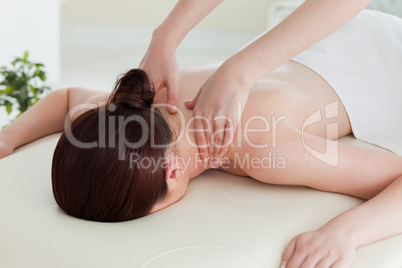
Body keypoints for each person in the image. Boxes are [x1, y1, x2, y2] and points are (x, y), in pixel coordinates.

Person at [0, 9, 402, 268]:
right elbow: (68, 100)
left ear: (173, 172)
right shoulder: (142, 105)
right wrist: (8, 137)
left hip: (383, 55)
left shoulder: (259, 149)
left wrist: (342, 233)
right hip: (332, 29)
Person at [139, 0, 373, 168]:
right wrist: (164, 38)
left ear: (172, 172)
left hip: (365, 43)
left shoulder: (261, 143)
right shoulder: (161, 96)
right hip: (349, 29)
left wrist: (236, 75)